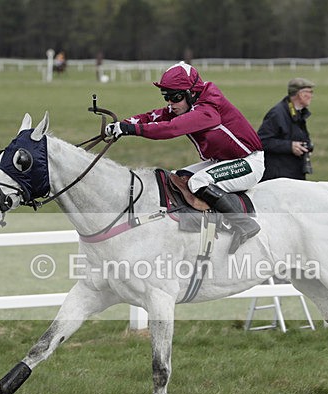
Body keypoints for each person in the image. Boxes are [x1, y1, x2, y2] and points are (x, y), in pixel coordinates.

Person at [104, 61, 264, 251]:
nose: (171, 103)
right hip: (222, 161)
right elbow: (154, 116)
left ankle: (244, 224)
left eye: (175, 97)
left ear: (192, 93)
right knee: (176, 178)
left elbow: (172, 129)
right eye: (167, 97)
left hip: (248, 163)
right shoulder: (188, 104)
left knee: (199, 182)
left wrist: (131, 129)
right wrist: (123, 124)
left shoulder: (208, 110)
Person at [257, 78, 315, 181]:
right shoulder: (277, 114)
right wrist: (290, 146)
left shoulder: (299, 113)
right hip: (278, 179)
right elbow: (262, 141)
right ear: (301, 94)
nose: (311, 96)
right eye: (309, 92)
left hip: (293, 174)